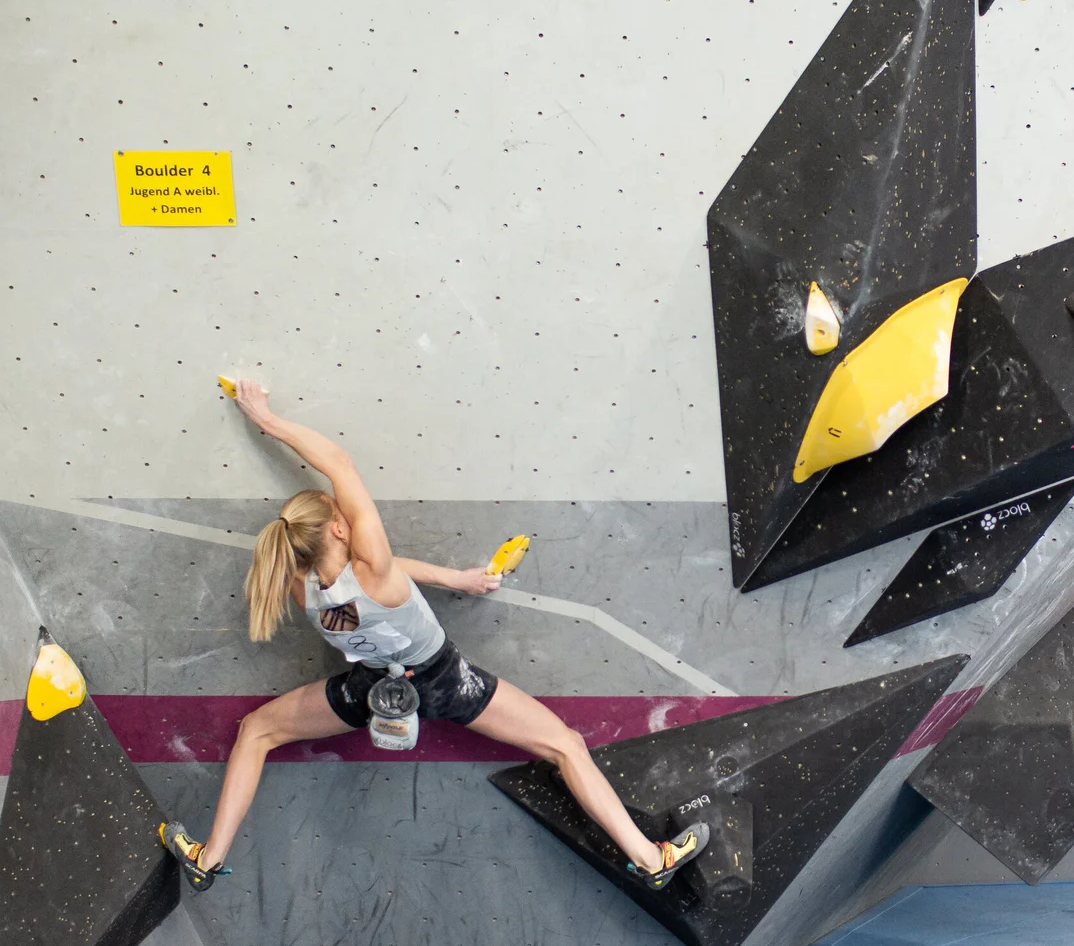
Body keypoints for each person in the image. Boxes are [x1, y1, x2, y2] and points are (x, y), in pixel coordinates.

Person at [159, 378, 708, 894]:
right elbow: (339, 465)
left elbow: (386, 573)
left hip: (369, 691)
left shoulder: (299, 584)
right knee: (564, 745)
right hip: (445, 681)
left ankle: (207, 862)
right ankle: (648, 858)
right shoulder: (370, 564)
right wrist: (267, 417)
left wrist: (453, 579)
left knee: (256, 731)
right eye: (339, 516)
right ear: (338, 529)